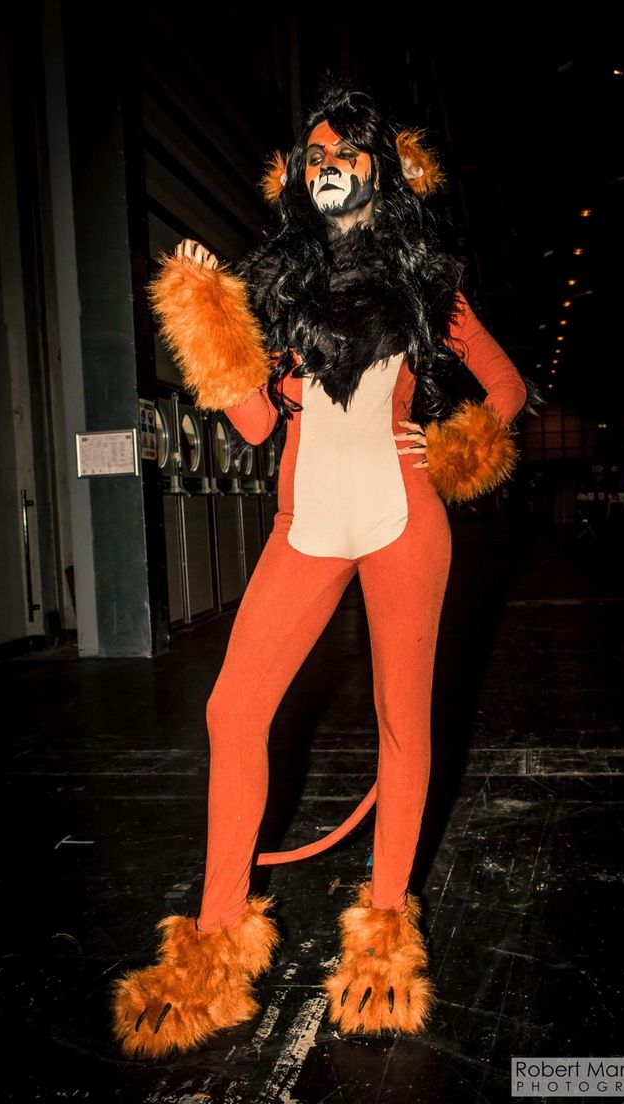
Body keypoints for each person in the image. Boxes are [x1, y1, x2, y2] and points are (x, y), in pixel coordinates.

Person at [111, 83, 532, 1058]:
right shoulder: (288, 289)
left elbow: (507, 387)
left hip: (402, 522)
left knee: (400, 722)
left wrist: (460, 446)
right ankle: (216, 944)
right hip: (304, 527)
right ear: (298, 176)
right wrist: (210, 330)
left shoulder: (427, 286)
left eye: (344, 149)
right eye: (312, 153)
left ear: (380, 167)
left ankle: (384, 940)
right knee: (230, 710)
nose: (326, 163)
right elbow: (259, 423)